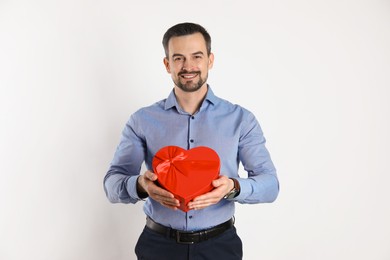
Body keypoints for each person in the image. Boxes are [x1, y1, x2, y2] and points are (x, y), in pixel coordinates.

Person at [104, 22, 279, 260]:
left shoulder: (241, 119)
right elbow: (112, 184)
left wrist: (232, 187)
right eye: (178, 58)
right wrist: (141, 185)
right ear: (167, 64)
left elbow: (270, 185)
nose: (188, 66)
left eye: (196, 56)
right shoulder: (142, 120)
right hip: (158, 247)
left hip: (220, 248)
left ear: (210, 60)